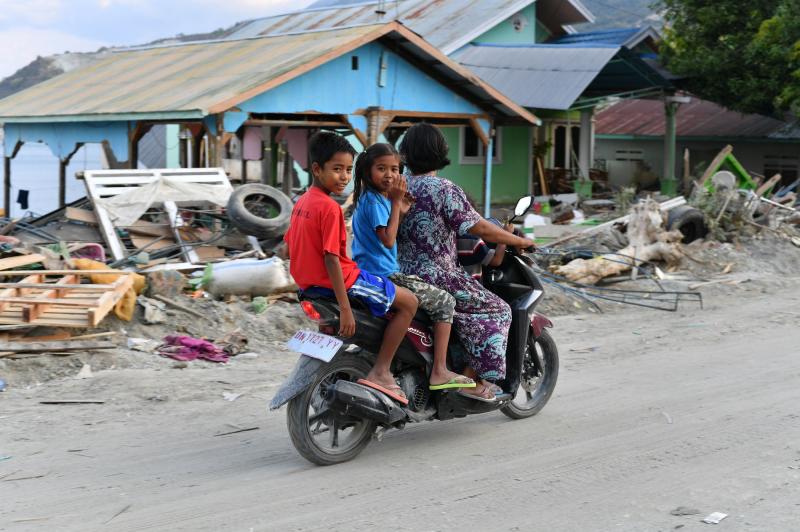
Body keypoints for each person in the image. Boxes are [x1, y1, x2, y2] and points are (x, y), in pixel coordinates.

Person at [397, 123, 536, 402]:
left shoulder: (400, 186)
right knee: (499, 310)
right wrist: (519, 242)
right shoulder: (445, 189)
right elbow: (480, 228)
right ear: (441, 152)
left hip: (401, 273)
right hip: (439, 275)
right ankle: (472, 381)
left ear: (405, 154)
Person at [284, 131, 418, 405]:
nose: (344, 177)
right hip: (343, 281)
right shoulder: (330, 208)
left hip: (309, 287)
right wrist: (346, 309)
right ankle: (381, 371)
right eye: (337, 169)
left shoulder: (302, 203)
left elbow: (288, 248)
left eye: (347, 170)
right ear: (317, 169)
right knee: (410, 303)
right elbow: (333, 259)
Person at [351, 143, 475, 391]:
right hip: (384, 274)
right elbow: (388, 240)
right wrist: (397, 203)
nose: (389, 175)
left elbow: (387, 233)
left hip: (369, 271)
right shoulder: (377, 201)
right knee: (445, 301)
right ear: (367, 170)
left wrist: (402, 211)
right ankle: (439, 370)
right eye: (381, 168)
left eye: (395, 169)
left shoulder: (371, 199)